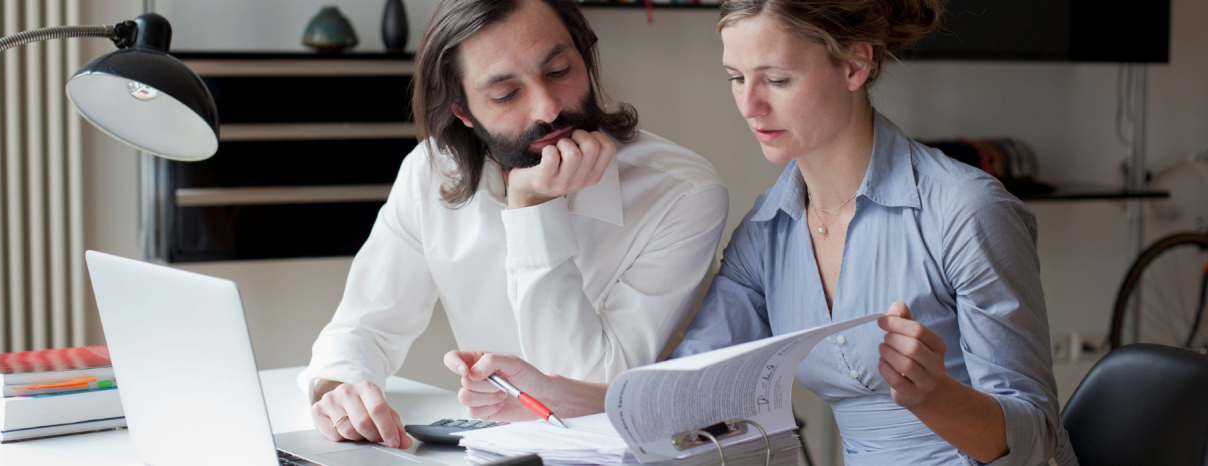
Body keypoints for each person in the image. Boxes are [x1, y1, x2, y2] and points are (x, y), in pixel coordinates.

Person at [447, 0, 1079, 464]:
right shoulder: (769, 232)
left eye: (777, 80)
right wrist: (544, 391)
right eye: (735, 78)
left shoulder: (966, 211)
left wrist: (933, 396)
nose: (750, 105)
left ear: (855, 64)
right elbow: (680, 394)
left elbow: (1036, 439)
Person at [298, 0, 730, 450]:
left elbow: (583, 393)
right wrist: (338, 390)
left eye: (559, 71)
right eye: (506, 94)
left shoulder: (682, 193)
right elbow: (364, 327)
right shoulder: (430, 173)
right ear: (463, 111)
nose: (547, 108)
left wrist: (533, 209)